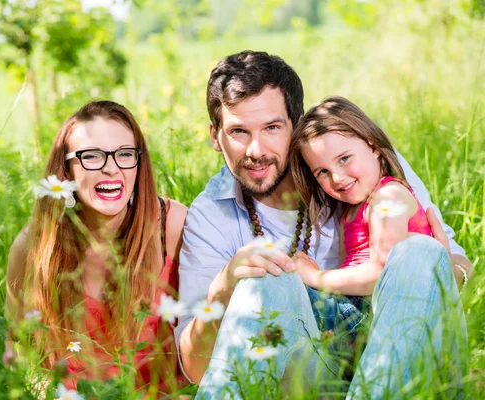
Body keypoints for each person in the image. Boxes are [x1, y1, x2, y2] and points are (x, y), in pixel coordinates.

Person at [176, 51, 473, 398]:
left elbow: (457, 264)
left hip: (406, 360)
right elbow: (194, 367)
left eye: (272, 127)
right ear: (215, 136)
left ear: (296, 124)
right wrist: (224, 288)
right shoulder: (211, 214)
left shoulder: (359, 167)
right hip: (314, 375)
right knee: (263, 282)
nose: (256, 149)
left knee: (419, 252)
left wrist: (435, 269)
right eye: (238, 131)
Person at [5, 100, 188, 394]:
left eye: (125, 154)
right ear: (66, 170)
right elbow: (19, 343)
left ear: (139, 165)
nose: (111, 168)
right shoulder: (34, 246)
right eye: (92, 156)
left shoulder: (172, 226)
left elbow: (211, 329)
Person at [288, 96, 433, 295]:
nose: (337, 178)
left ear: (373, 146)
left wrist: (315, 277)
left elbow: (384, 274)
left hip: (383, 306)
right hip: (354, 308)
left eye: (344, 159)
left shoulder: (388, 197)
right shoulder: (349, 211)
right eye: (323, 172)